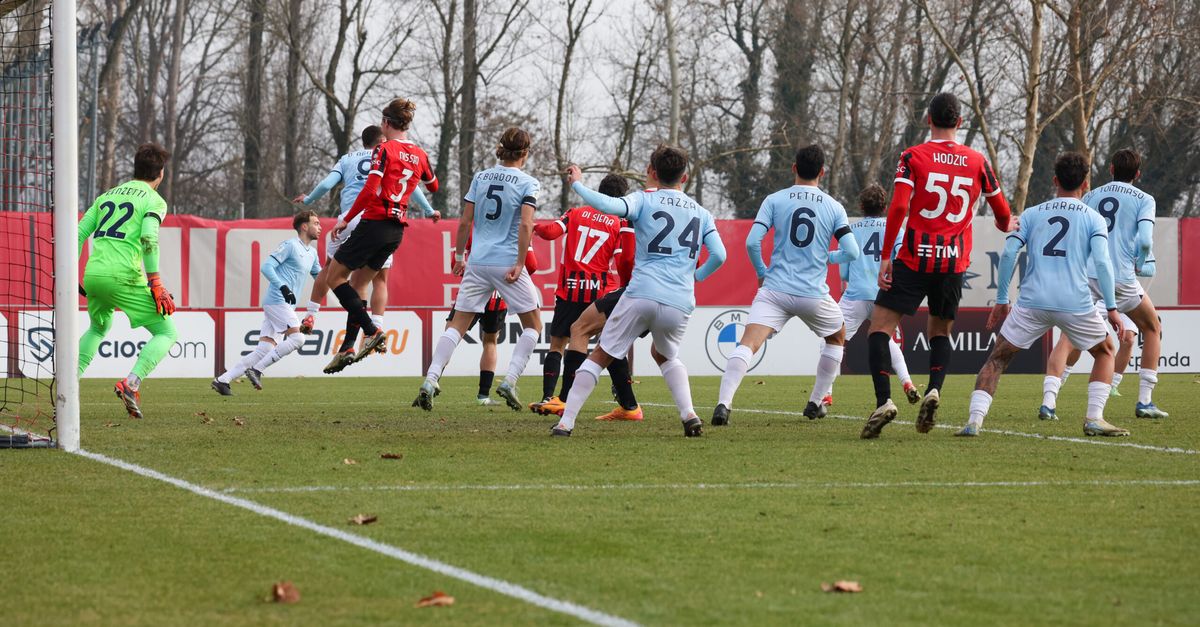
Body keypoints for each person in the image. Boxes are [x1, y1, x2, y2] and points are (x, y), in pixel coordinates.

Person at [860, 92, 1015, 439]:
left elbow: (898, 208)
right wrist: (1011, 225)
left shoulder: (912, 156)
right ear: (959, 122)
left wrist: (886, 256)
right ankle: (933, 389)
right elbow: (1003, 217)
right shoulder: (978, 162)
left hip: (914, 257)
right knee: (941, 332)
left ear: (927, 119)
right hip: (952, 262)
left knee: (879, 330)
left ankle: (884, 401)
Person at [554, 145, 726, 437]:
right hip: (680, 301)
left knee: (600, 355)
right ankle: (689, 415)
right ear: (684, 177)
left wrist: (578, 183)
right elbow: (720, 255)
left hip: (641, 293)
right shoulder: (701, 213)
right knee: (666, 356)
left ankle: (565, 422)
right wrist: (694, 276)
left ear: (653, 172)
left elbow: (609, 206)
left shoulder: (644, 200)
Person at [957, 152, 1129, 437]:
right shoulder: (1094, 219)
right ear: (1085, 184)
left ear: (1054, 180)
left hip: (1032, 302)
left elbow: (1010, 252)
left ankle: (974, 421)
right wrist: (1111, 307)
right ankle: (1094, 419)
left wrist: (1002, 300)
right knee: (1106, 351)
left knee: (997, 359)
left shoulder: (1032, 214)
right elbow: (1102, 262)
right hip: (1075, 302)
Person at [712, 144, 859, 426]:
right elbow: (852, 252)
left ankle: (723, 404)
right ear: (823, 172)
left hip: (775, 289)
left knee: (748, 344)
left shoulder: (774, 200)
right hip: (812, 293)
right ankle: (815, 402)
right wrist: (827, 257)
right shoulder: (834, 206)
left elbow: (752, 242)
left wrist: (760, 272)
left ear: (794, 168)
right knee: (837, 335)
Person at [414, 127, 543, 411]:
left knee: (457, 325)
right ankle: (509, 380)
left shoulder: (481, 177)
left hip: (477, 261)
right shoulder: (528, 183)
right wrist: (520, 261)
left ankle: (431, 379)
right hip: (506, 261)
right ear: (524, 153)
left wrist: (459, 255)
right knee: (533, 325)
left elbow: (464, 222)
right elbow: (526, 224)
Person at [1042, 149, 1167, 420]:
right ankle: (1145, 401)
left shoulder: (1091, 195)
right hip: (1120, 277)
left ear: (1110, 169)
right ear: (1138, 174)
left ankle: (1049, 400)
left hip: (1086, 275)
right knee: (1152, 327)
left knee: (1070, 337)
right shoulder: (1145, 199)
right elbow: (1145, 241)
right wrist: (1142, 260)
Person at [322, 99, 438, 374]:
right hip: (396, 231)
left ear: (386, 123)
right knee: (361, 283)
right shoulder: (420, 154)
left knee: (334, 278)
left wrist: (345, 220)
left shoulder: (383, 150)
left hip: (373, 223)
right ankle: (348, 346)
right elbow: (434, 184)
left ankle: (372, 331)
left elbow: (369, 191)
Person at [293, 125, 439, 337]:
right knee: (378, 279)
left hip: (349, 218)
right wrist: (428, 210)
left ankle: (311, 313)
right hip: (377, 218)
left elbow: (326, 185)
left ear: (363, 142)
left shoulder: (348, 159)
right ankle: (376, 324)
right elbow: (414, 186)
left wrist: (308, 200)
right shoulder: (389, 154)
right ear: (382, 140)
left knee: (329, 269)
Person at [76, 143, 179, 419]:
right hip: (123, 276)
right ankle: (131, 384)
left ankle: (66, 387)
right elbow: (148, 237)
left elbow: (78, 234)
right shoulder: (154, 199)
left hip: (94, 274)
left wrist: (69, 272)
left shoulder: (106, 195)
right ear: (160, 173)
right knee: (167, 332)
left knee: (98, 328)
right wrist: (155, 281)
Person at [529, 173, 638, 419]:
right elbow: (624, 259)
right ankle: (628, 404)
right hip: (600, 293)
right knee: (609, 345)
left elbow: (551, 232)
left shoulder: (575, 213)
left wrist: (532, 226)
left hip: (570, 289)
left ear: (599, 192)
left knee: (557, 345)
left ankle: (552, 397)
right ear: (621, 198)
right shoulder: (620, 222)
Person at [822, 184, 920, 408]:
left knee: (831, 341)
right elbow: (901, 259)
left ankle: (826, 394)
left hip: (855, 296)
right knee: (886, 341)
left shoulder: (851, 230)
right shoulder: (896, 230)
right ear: (885, 207)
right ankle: (907, 383)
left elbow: (845, 270)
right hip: (883, 295)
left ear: (861, 206)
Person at [212, 211, 322, 395]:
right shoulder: (290, 245)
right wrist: (283, 287)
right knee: (298, 338)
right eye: (316, 223)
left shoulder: (312, 253)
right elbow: (266, 267)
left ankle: (222, 380)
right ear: (304, 226)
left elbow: (321, 279)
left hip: (286, 305)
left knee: (263, 349)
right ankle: (257, 370)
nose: (320, 227)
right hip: (277, 301)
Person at [441, 241, 539, 406]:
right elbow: (532, 264)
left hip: (474, 291)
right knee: (490, 342)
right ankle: (483, 396)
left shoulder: (477, 228)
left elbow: (455, 263)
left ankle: (432, 380)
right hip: (498, 296)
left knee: (451, 333)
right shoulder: (517, 229)